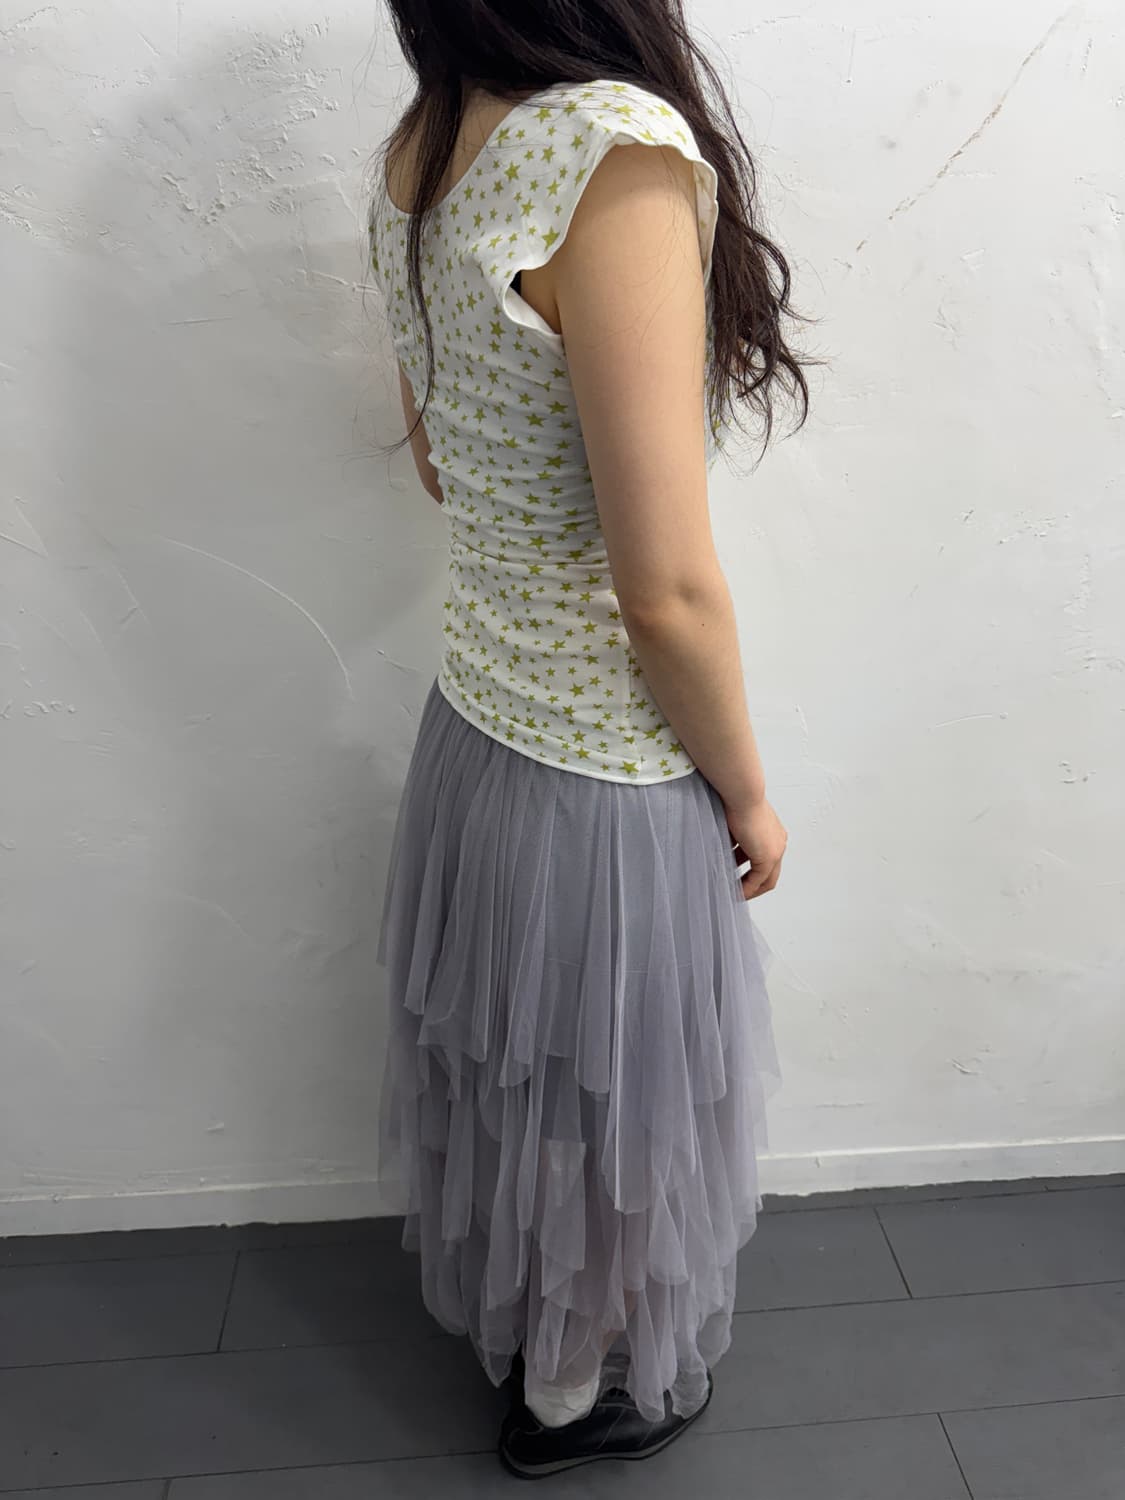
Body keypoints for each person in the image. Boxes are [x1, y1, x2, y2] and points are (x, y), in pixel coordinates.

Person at [369, 0, 808, 1479]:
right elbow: (665, 591)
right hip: (607, 768)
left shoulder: (424, 142)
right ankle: (571, 1395)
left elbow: (442, 465)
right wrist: (747, 791)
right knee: (619, 1104)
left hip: (474, 724)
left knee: (526, 1084)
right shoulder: (614, 152)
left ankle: (537, 1346)